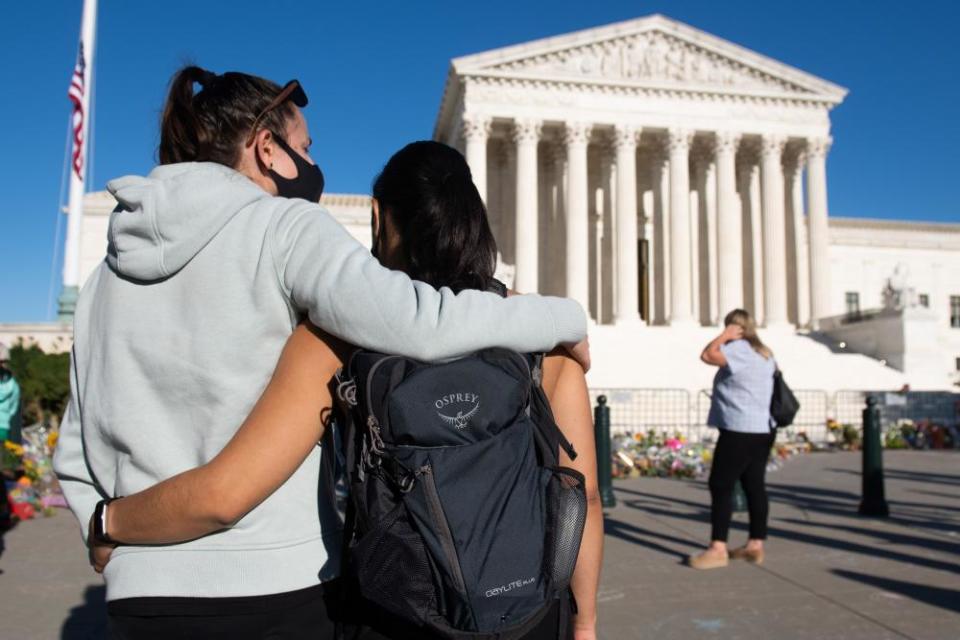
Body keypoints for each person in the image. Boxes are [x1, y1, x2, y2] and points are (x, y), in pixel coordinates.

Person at [53, 67, 589, 639]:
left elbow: (77, 443)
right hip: (276, 583)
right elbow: (417, 318)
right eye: (303, 148)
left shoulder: (102, 279)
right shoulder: (285, 227)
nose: (311, 165)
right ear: (265, 147)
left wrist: (106, 524)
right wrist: (562, 318)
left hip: (141, 596)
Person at [689, 309, 776, 570]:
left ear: (734, 328)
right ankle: (755, 544)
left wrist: (723, 336)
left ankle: (718, 548)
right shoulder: (765, 353)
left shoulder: (738, 348)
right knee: (754, 485)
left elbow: (707, 355)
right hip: (763, 429)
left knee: (721, 485)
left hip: (739, 428)